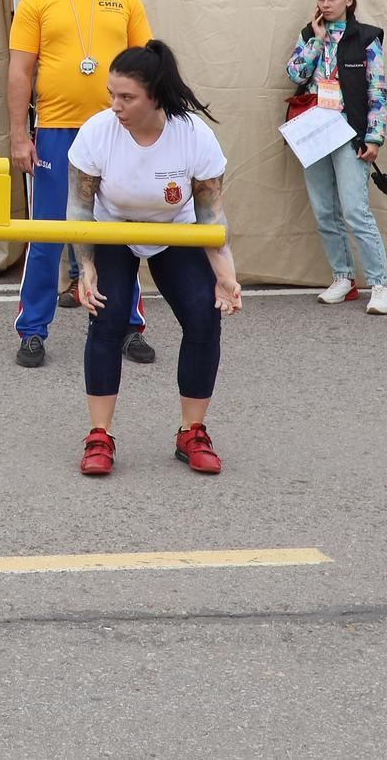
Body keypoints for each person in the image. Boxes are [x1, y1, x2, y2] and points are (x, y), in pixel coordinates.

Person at [67, 41, 242, 478]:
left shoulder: (193, 135)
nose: (116, 105)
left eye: (127, 97)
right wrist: (85, 267)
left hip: (172, 231)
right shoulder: (97, 131)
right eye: (112, 94)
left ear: (155, 97)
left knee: (205, 315)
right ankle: (99, 435)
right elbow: (79, 208)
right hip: (113, 230)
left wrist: (225, 275)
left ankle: (192, 432)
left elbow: (210, 214)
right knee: (106, 319)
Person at [6, 0, 156, 371]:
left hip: (118, 130)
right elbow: (19, 71)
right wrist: (18, 136)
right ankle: (32, 330)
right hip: (55, 130)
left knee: (120, 231)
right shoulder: (37, 0)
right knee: (47, 234)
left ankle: (128, 325)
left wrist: (150, 130)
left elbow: (147, 68)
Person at [284, 0, 387, 314]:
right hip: (315, 131)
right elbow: (295, 74)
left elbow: (377, 89)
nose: (325, 4)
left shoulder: (366, 38)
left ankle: (380, 285)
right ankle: (343, 279)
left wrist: (374, 137)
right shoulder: (310, 33)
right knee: (324, 210)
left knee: (355, 210)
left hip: (351, 132)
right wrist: (316, 41)